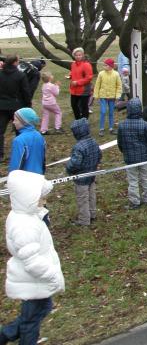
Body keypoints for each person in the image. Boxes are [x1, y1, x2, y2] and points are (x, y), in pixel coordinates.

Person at [1, 170, 65, 344]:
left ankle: (6, 334)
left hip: (35, 280)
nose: (44, 201)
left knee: (39, 310)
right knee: (31, 321)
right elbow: (32, 261)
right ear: (27, 198)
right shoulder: (25, 226)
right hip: (35, 280)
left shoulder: (26, 216)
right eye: (40, 197)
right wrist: (52, 276)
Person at [117, 98, 147, 210]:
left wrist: (124, 151)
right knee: (145, 177)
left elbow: (120, 142)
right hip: (144, 157)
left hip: (130, 158)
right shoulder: (145, 124)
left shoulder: (122, 125)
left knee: (133, 180)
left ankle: (135, 201)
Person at [65, 118, 102, 227]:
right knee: (91, 195)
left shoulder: (78, 147)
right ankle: (92, 213)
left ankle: (84, 220)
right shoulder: (94, 141)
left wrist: (68, 167)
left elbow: (75, 163)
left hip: (81, 178)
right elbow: (99, 155)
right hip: (92, 174)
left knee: (82, 199)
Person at [8, 108, 46, 174]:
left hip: (24, 178)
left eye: (15, 120)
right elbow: (43, 160)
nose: (13, 122)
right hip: (39, 176)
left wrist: (11, 177)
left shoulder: (19, 140)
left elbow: (16, 165)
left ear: (24, 122)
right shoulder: (39, 136)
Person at [94, 58, 122, 136]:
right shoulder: (101, 74)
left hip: (112, 97)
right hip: (103, 96)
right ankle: (101, 129)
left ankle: (111, 128)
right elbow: (97, 85)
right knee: (103, 112)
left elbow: (119, 86)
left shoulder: (116, 74)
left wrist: (118, 95)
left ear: (110, 66)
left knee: (111, 112)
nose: (104, 66)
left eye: (105, 65)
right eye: (104, 65)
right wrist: (96, 95)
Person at [68, 48, 93, 121]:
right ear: (74, 56)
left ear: (82, 55)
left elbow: (89, 78)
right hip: (74, 89)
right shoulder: (73, 64)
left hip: (84, 90)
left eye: (80, 55)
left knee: (84, 107)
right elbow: (74, 73)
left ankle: (84, 122)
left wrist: (77, 82)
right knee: (74, 105)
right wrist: (70, 75)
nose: (78, 56)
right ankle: (78, 121)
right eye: (76, 55)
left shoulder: (86, 65)